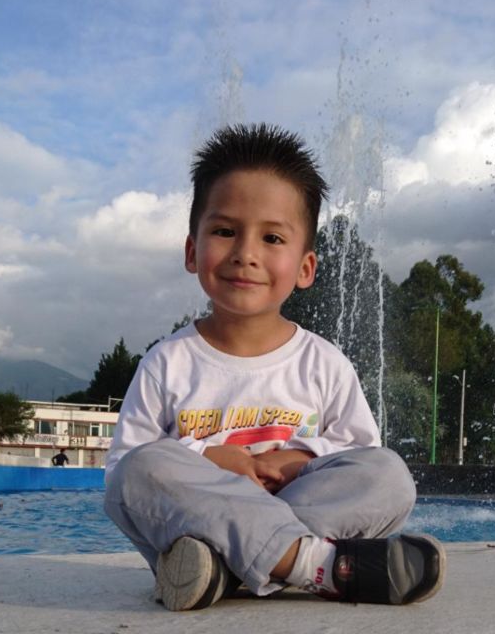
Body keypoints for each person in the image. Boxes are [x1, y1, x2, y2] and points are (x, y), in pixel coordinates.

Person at [104, 123, 445, 611]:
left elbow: (359, 452)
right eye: (225, 231)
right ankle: (313, 566)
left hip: (207, 552)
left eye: (272, 237)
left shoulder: (323, 363)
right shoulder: (167, 363)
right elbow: (123, 476)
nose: (246, 254)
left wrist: (302, 458)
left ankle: (228, 571)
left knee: (389, 474)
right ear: (192, 251)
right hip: (200, 528)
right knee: (140, 470)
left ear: (306, 268)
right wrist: (208, 458)